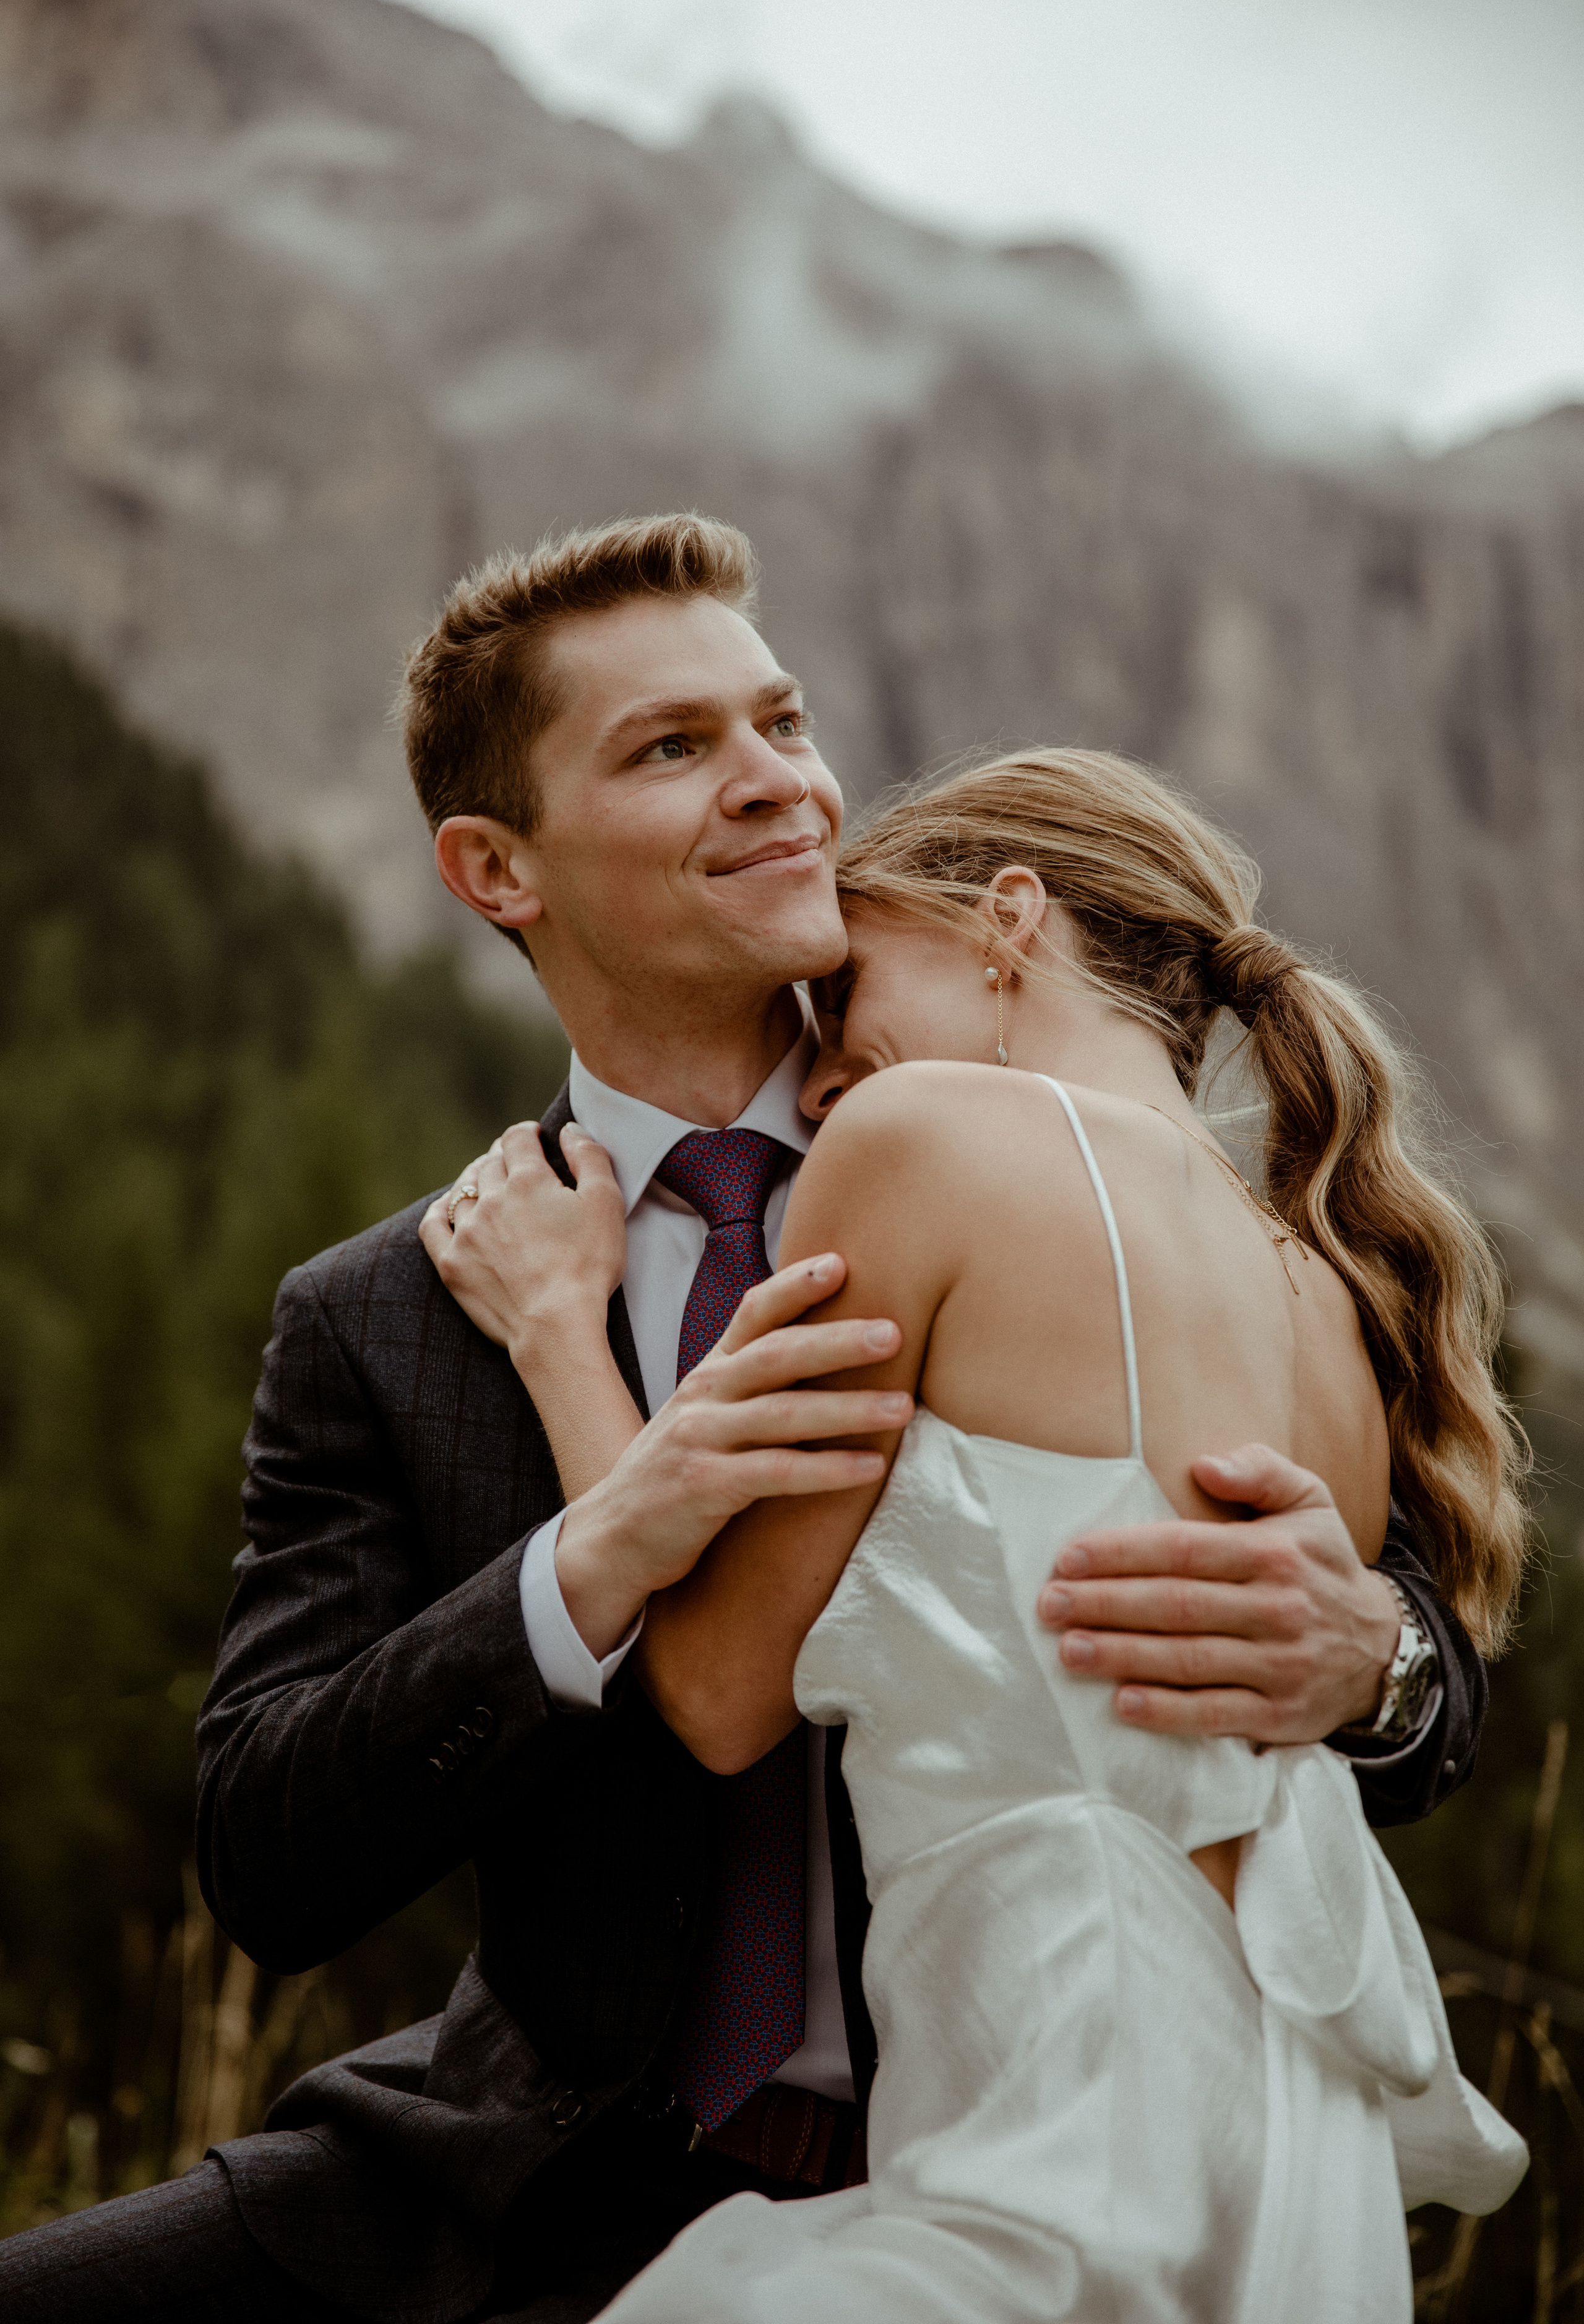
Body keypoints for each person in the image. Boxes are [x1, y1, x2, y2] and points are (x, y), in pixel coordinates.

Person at [0, 517, 1491, 2322]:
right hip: (515, 2170)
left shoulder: (1018, 1184)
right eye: (672, 747)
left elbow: (1410, 1653)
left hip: (998, 2170)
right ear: (496, 867)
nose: (782, 784)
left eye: (780, 720)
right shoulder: (386, 1311)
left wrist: (1381, 1663)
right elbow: (268, 1849)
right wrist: (582, 1568)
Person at [439, 744, 1529, 2319]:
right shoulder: (1332, 1290)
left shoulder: (922, 1142)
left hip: (1061, 2109)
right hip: (1281, 2144)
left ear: (1005, 920)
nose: (819, 1078)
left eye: (850, 989)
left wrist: (556, 1330)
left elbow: (715, 1694)